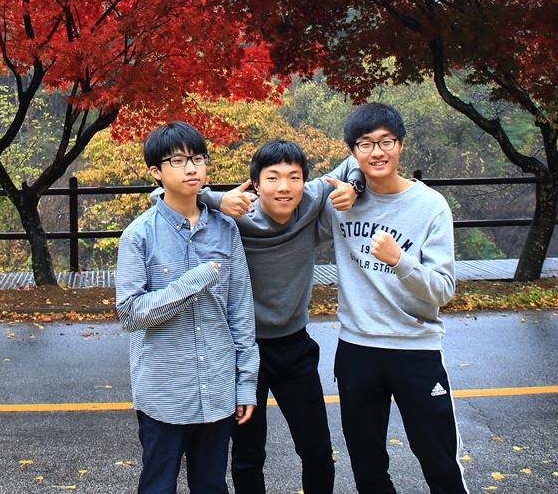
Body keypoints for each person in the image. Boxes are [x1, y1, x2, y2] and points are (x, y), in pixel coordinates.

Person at [199, 140, 363, 494]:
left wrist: (356, 188)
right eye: (272, 178)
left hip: (295, 349)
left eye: (294, 177)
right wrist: (216, 199)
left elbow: (357, 160)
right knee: (247, 454)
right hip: (242, 351)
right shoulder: (234, 219)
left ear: (305, 181)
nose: (285, 187)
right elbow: (161, 199)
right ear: (256, 184)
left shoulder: (311, 202)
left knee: (317, 450)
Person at [329, 102, 468, 494]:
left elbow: (444, 289)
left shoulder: (429, 206)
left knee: (439, 461)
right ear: (352, 152)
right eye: (365, 144)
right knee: (367, 468)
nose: (377, 152)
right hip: (357, 349)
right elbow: (290, 194)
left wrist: (401, 262)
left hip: (416, 349)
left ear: (401, 144)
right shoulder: (340, 202)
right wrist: (355, 183)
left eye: (386, 141)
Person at [116, 121, 259, 494]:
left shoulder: (226, 229)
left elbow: (240, 312)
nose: (191, 168)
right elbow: (130, 313)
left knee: (212, 485)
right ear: (156, 172)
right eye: (177, 161)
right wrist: (194, 280)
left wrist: (245, 384)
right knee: (158, 486)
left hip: (217, 388)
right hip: (164, 392)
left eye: (197, 158)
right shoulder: (139, 235)